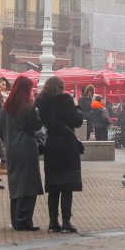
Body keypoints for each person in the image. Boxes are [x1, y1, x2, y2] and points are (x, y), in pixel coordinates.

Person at [36, 76, 84, 233]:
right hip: (67, 147)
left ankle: (52, 223)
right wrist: (77, 107)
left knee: (54, 187)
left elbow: (39, 123)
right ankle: (66, 222)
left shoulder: (41, 102)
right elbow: (77, 121)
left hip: (52, 145)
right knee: (67, 187)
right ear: (60, 88)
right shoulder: (65, 100)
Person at [0, 75, 43, 231]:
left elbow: (1, 132)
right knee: (29, 186)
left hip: (11, 150)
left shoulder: (5, 108)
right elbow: (36, 125)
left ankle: (16, 220)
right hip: (27, 149)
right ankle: (24, 221)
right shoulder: (27, 107)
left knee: (16, 185)